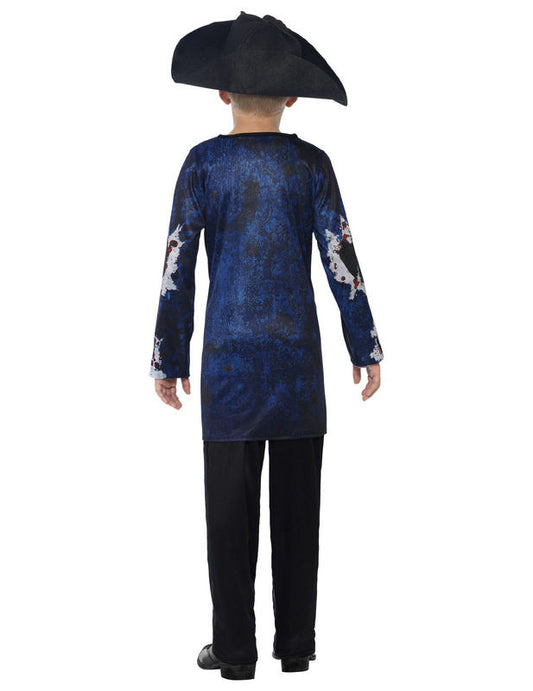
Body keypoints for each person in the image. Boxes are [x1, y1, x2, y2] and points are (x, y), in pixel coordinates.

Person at [149, 12, 384, 681]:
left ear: (222, 91)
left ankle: (234, 652)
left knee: (228, 513)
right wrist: (364, 344)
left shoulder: (202, 163)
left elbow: (176, 266)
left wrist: (168, 355)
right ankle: (297, 645)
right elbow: (340, 258)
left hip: (227, 362)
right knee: (299, 508)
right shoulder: (312, 164)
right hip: (297, 365)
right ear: (292, 97)